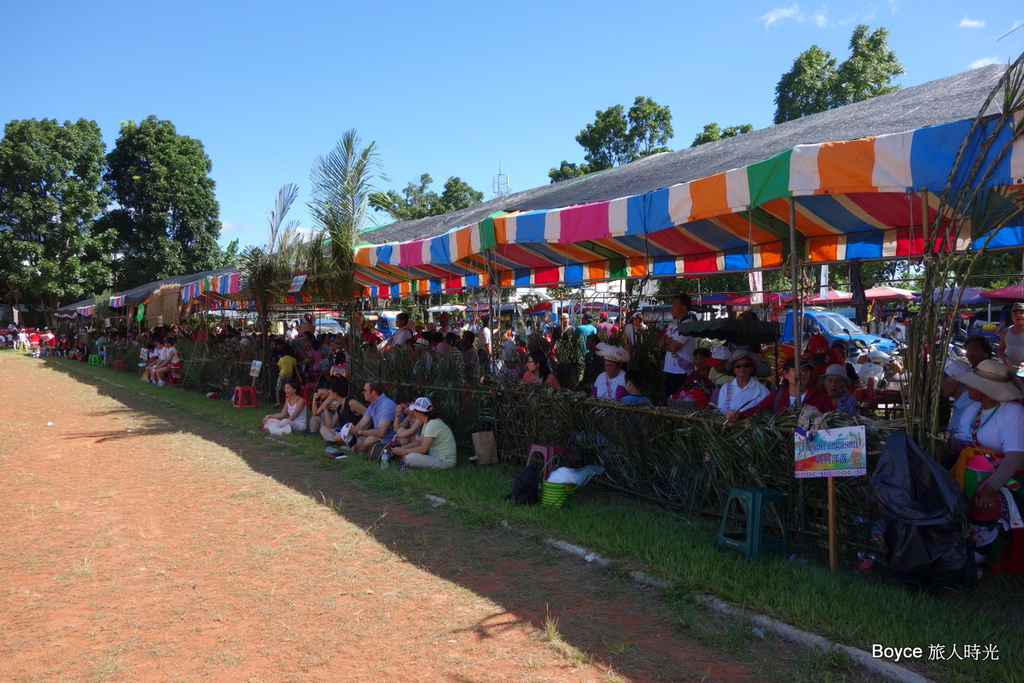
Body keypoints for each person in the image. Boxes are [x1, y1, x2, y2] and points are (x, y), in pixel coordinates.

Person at [949, 359, 1024, 570]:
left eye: (972, 383)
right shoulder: (972, 409)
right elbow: (958, 443)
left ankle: (979, 559)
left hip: (1005, 478)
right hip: (966, 473)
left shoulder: (1012, 412)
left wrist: (991, 489)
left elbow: (1015, 456)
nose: (968, 387)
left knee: (985, 504)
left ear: (984, 388)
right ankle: (959, 551)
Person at [726, 356, 830, 420]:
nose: (802, 373)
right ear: (785, 374)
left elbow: (832, 423)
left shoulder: (821, 398)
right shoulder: (777, 396)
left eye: (806, 370)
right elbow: (757, 410)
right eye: (797, 369)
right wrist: (737, 415)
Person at [390, 397, 457, 470]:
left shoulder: (432, 424)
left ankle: (408, 465)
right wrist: (401, 448)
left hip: (444, 461)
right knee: (409, 455)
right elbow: (419, 442)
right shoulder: (428, 422)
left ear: (417, 413)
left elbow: (423, 449)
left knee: (410, 457)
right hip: (434, 455)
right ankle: (408, 464)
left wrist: (403, 451)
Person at [655, 292, 698, 398]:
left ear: (683, 308)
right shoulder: (674, 324)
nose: (672, 308)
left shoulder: (687, 325)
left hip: (681, 372)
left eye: (674, 305)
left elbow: (674, 347)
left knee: (677, 403)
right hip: (669, 370)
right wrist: (666, 341)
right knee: (668, 401)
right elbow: (658, 342)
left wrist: (666, 342)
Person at [712, 350, 770, 415]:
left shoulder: (761, 390)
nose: (742, 368)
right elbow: (722, 409)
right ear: (734, 370)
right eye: (738, 365)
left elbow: (765, 412)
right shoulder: (725, 388)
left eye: (746, 365)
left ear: (751, 369)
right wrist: (729, 414)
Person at [350, 380, 397, 456]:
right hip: (377, 437)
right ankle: (360, 451)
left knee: (369, 440)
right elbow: (361, 424)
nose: (363, 393)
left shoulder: (387, 405)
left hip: (389, 440)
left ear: (373, 393)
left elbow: (381, 432)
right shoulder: (373, 404)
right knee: (358, 440)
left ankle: (357, 451)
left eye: (365, 391)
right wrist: (353, 431)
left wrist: (359, 432)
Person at [997, 302, 1024, 372]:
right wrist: (1003, 358)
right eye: (1015, 313)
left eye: (1021, 313)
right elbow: (1000, 350)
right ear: (1011, 316)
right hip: (1008, 370)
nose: (1018, 315)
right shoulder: (1006, 331)